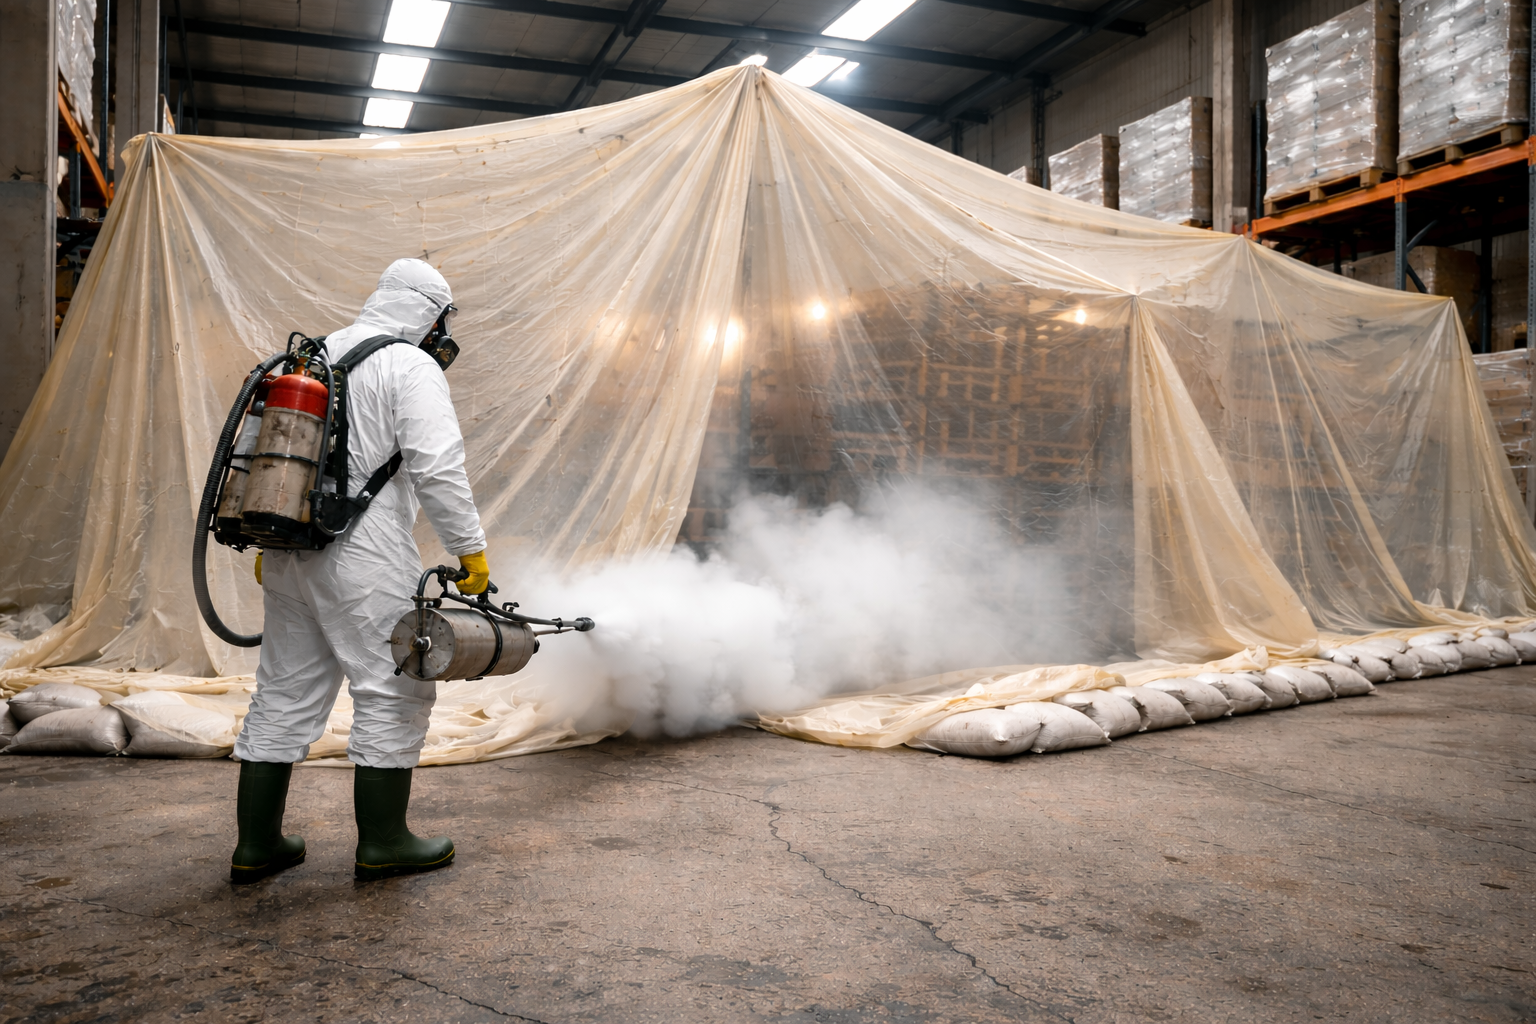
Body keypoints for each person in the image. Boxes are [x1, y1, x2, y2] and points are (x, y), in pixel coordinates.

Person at [229, 258, 490, 884]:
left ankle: (257, 844)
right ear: (429, 313)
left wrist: (271, 534)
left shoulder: (310, 359)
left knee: (283, 691)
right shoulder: (409, 365)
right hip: (361, 551)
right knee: (394, 684)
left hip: (289, 547)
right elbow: (437, 465)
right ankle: (384, 841)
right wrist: (469, 548)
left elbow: (260, 453)